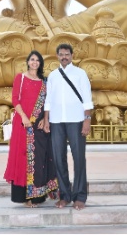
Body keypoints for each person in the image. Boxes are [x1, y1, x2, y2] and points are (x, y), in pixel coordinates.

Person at [4, 51, 58, 207]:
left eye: (37, 60)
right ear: (28, 62)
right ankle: (24, 197)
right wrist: (24, 117)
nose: (34, 62)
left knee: (40, 158)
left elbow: (49, 103)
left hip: (39, 126)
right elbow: (15, 99)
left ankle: (37, 197)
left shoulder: (44, 82)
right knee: (22, 158)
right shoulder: (20, 78)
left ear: (40, 63)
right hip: (23, 124)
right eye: (32, 59)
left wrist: (44, 119)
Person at [43, 43, 93, 210]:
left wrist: (87, 119)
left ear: (72, 55)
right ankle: (64, 195)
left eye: (67, 54)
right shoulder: (53, 76)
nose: (64, 57)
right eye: (61, 54)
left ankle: (80, 196)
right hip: (57, 121)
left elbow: (87, 98)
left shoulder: (80, 74)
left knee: (79, 158)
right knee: (59, 158)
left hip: (76, 119)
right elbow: (48, 101)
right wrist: (46, 119)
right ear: (57, 56)